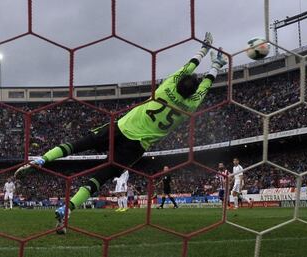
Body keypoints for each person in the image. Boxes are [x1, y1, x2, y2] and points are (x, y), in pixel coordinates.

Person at [14, 32, 227, 233]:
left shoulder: (166, 87)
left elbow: (187, 67)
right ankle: (67, 209)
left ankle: (42, 160)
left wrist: (203, 49)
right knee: (101, 177)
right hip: (136, 147)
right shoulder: (189, 107)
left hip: (122, 127)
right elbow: (205, 87)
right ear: (190, 93)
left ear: (178, 83)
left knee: (81, 143)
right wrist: (216, 67)